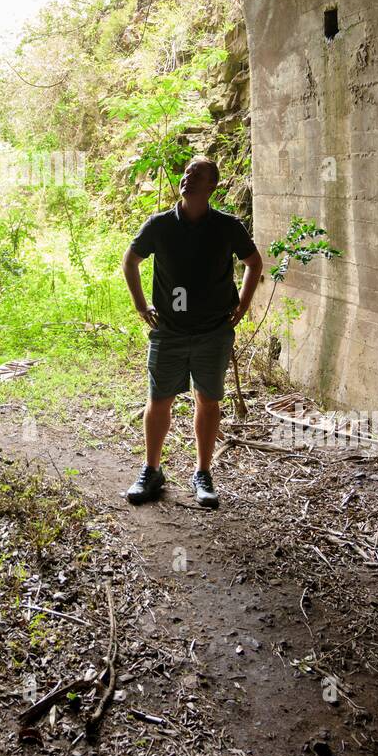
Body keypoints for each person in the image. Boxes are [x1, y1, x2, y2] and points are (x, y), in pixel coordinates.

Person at [121, 156, 263, 508]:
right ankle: (151, 471)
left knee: (208, 400)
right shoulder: (160, 225)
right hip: (168, 331)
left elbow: (254, 263)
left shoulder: (227, 227)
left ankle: (203, 473)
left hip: (213, 332)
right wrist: (141, 306)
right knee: (158, 401)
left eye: (197, 175)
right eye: (186, 173)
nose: (187, 178)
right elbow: (130, 261)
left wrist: (243, 305)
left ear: (212, 186)